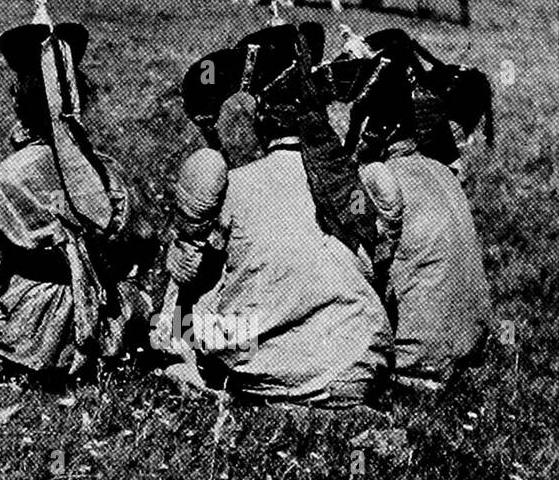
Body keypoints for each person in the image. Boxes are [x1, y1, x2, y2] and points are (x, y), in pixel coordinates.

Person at [154, 23, 392, 406]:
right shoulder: (347, 186)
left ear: (261, 117)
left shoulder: (237, 185)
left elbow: (193, 272)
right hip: (360, 359)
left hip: (271, 368)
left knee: (192, 299)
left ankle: (177, 352)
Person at [0, 0, 150, 383]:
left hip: (38, 330)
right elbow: (141, 244)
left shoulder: (6, 177)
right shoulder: (108, 168)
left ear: (19, 101)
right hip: (109, 318)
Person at [338, 37, 494, 388]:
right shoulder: (444, 172)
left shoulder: (377, 181)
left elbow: (354, 268)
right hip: (467, 350)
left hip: (416, 365)